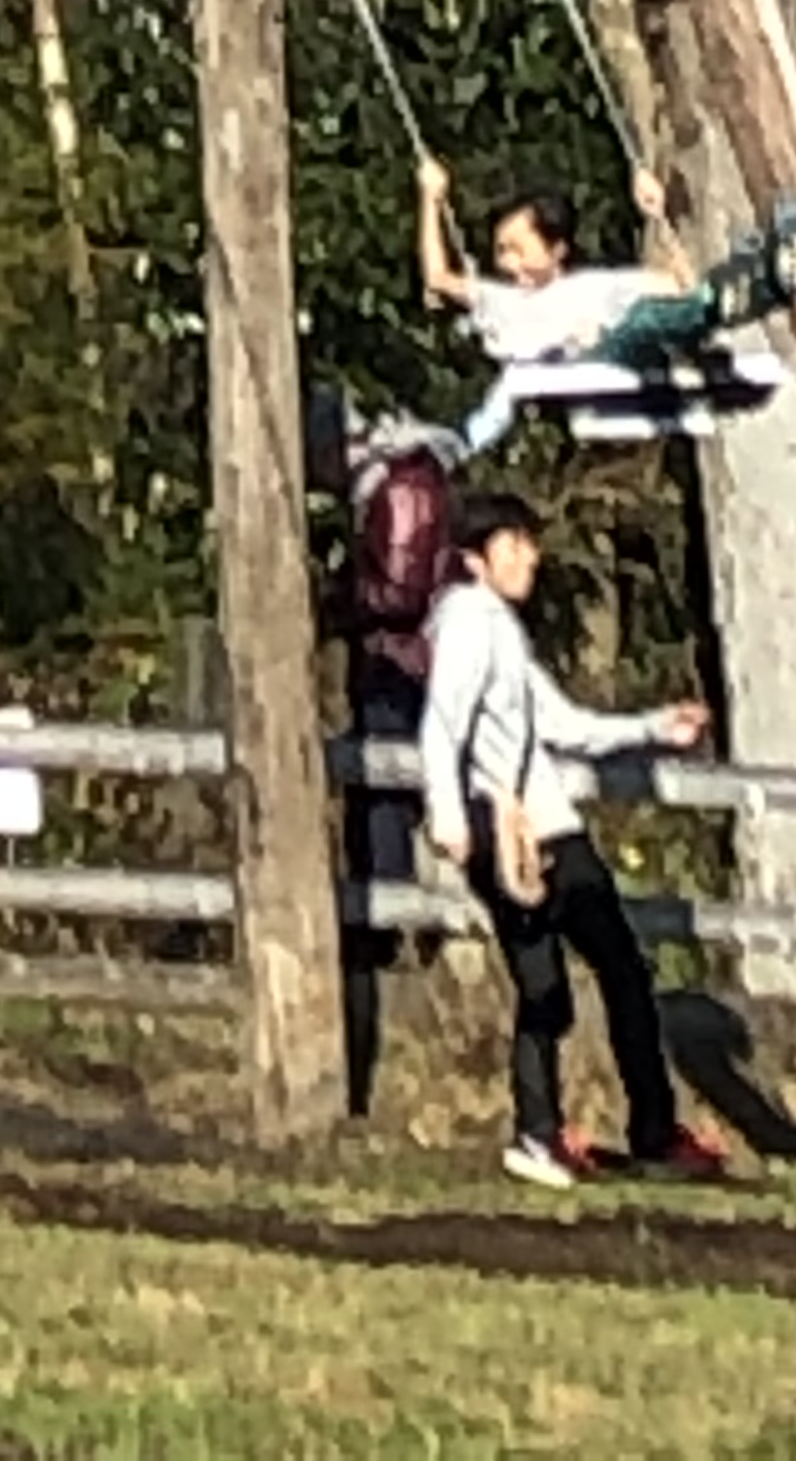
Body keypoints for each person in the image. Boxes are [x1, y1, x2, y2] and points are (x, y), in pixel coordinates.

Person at [420, 487, 723, 1188]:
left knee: (621, 969)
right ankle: (540, 1134)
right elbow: (442, 724)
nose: (529, 556)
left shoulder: (502, 630)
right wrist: (450, 817)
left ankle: (647, 1131)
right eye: (512, 544)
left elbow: (563, 725)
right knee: (547, 986)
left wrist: (653, 727)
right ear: (475, 559)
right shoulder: (469, 623)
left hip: (551, 825)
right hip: (511, 831)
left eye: (529, 542)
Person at [417, 156, 796, 456]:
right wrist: (430, 200)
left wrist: (657, 216)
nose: (507, 262)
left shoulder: (595, 286)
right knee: (647, 319)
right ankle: (750, 285)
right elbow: (438, 276)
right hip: (598, 360)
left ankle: (769, 278)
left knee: (661, 312)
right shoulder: (499, 300)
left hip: (637, 349)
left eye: (518, 250)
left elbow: (678, 286)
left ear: (556, 251)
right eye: (502, 251)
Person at [306, 388, 459, 1112]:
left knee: (386, 785)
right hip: (401, 657)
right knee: (380, 788)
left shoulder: (400, 485)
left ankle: (390, 923)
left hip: (406, 663)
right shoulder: (397, 480)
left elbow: (399, 590)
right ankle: (390, 914)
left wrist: (340, 600)